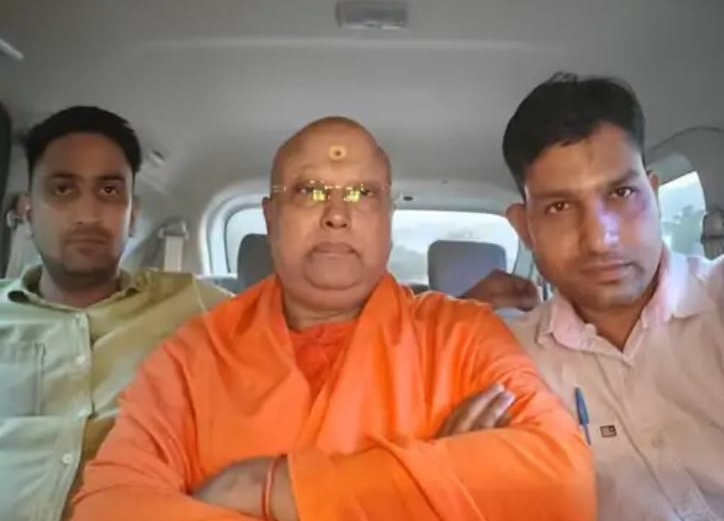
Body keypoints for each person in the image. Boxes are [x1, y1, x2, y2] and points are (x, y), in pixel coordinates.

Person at [71, 117, 595, 521]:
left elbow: (562, 484)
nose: (337, 214)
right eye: (310, 191)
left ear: (388, 218)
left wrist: (266, 488)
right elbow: (108, 507)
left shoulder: (462, 335)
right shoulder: (193, 354)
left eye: (363, 194)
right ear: (270, 216)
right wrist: (431, 492)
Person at [468, 74, 724, 520]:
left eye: (622, 193)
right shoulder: (505, 362)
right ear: (525, 228)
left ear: (654, 194)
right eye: (560, 207)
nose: (600, 239)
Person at [0, 106, 230, 521]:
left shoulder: (194, 305)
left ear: (132, 215)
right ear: (28, 211)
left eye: (108, 191)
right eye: (63, 189)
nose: (88, 215)